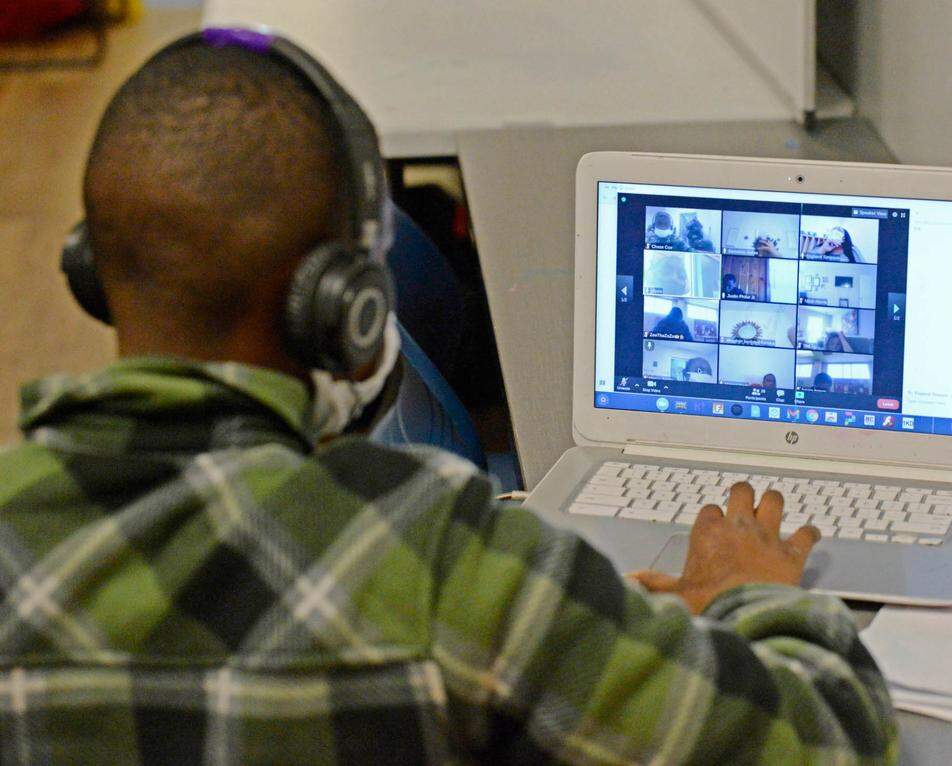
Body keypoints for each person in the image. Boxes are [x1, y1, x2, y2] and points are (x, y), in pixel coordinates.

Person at [0, 33, 897, 765]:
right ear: (344, 305)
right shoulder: (439, 561)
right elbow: (820, 743)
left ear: (91, 270)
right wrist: (750, 596)